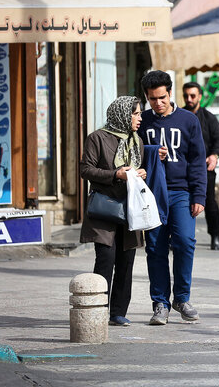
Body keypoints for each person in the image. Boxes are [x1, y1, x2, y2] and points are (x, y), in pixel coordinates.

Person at [139, 71, 207, 326]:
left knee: (185, 242)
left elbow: (198, 160)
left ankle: (181, 298)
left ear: (170, 92)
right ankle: (160, 303)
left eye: (162, 97)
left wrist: (199, 194)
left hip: (181, 192)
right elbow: (130, 152)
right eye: (152, 99)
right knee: (155, 248)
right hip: (151, 192)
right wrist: (151, 151)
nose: (158, 103)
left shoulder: (188, 120)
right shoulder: (143, 121)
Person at [80, 96, 147, 327]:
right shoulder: (97, 138)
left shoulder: (136, 141)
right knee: (106, 259)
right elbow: (86, 170)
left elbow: (135, 171)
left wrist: (140, 174)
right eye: (136, 113)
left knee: (126, 260)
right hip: (105, 209)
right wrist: (115, 174)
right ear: (122, 114)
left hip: (130, 209)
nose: (140, 118)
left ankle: (118, 312)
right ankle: (98, 308)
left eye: (139, 114)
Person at [182, 82, 219, 251]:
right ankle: (178, 237)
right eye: (186, 96)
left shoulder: (208, 117)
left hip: (204, 169)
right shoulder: (180, 116)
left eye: (193, 96)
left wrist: (214, 156)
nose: (189, 99)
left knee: (210, 204)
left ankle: (215, 235)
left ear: (200, 96)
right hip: (182, 169)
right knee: (181, 202)